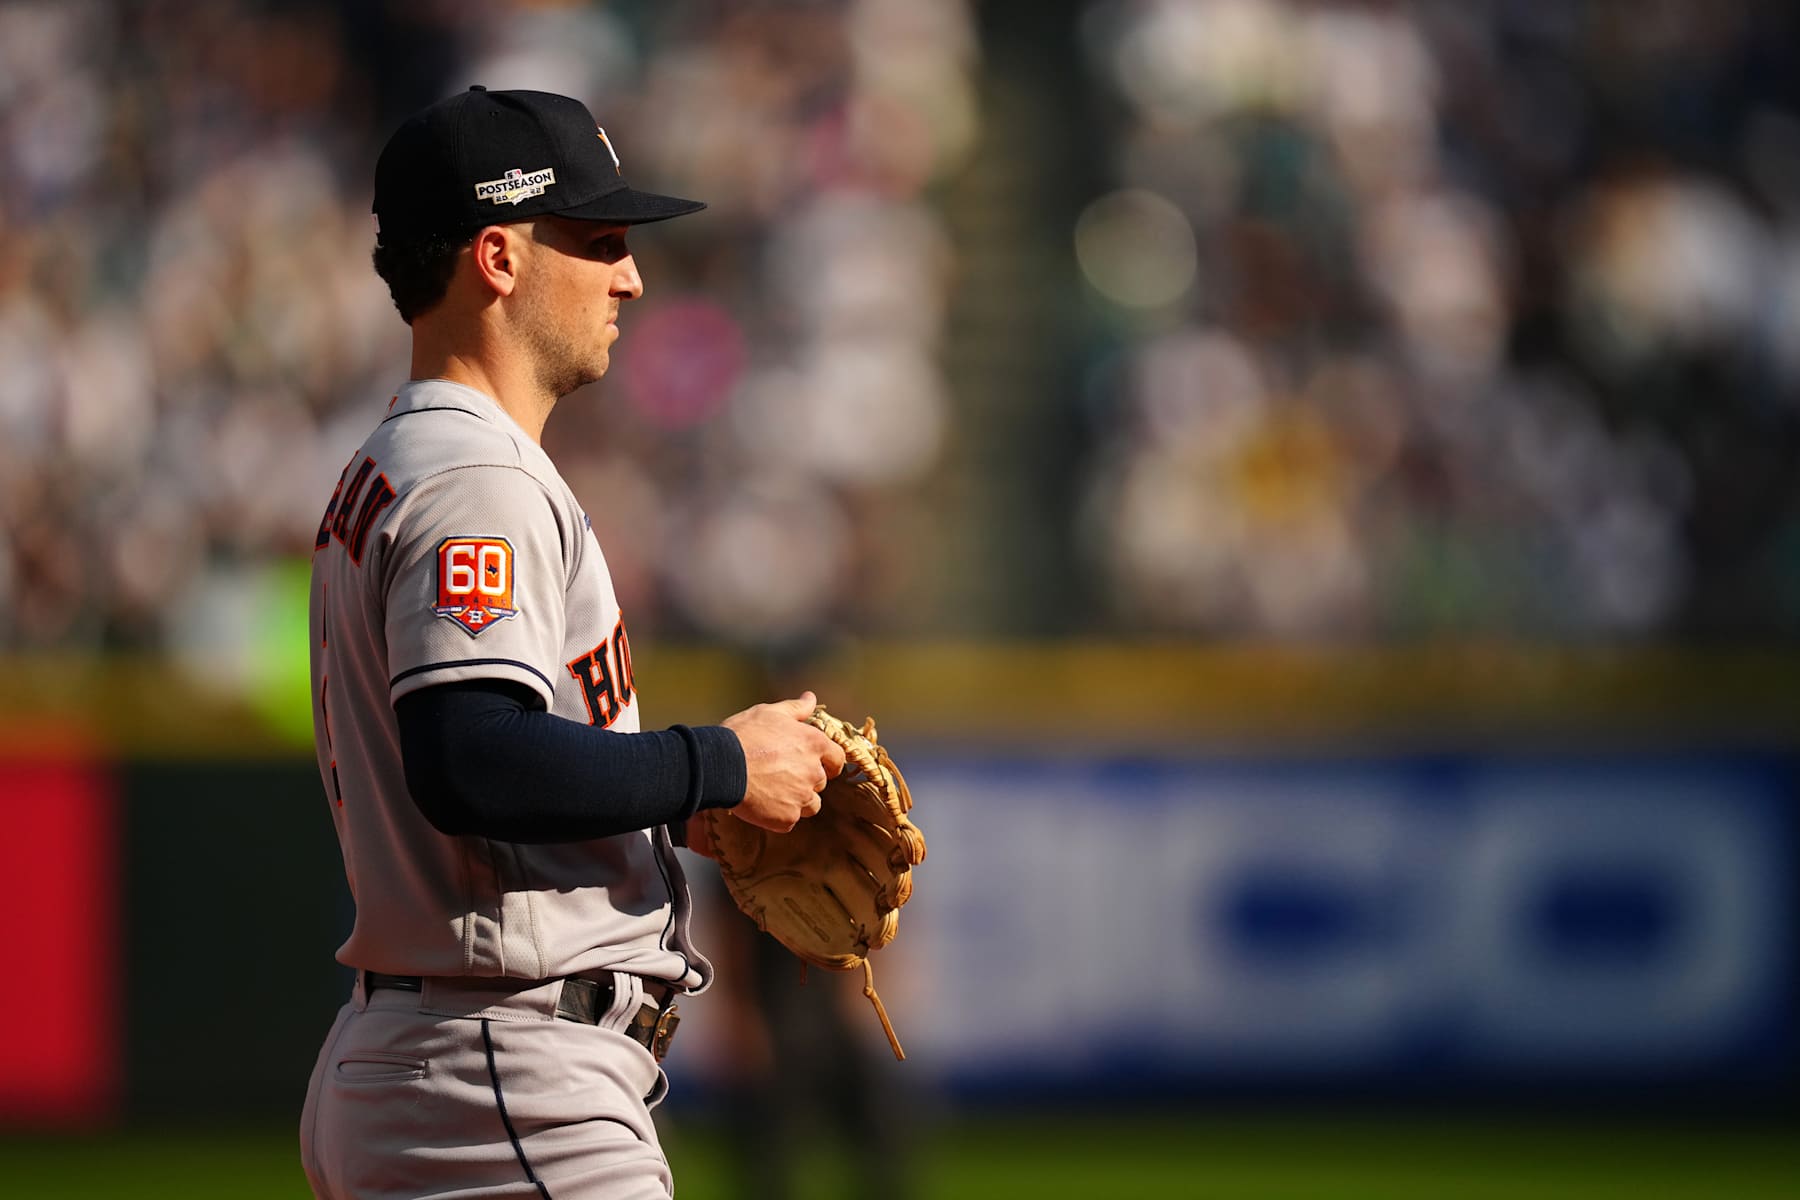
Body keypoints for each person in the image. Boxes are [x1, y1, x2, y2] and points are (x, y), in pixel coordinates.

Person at [299, 85, 845, 1200]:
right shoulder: (475, 478)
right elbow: (470, 758)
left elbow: (474, 763)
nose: (631, 277)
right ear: (498, 257)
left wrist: (678, 804)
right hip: (502, 1069)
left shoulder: (406, 462)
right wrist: (721, 760)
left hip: (445, 1056)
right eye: (598, 243)